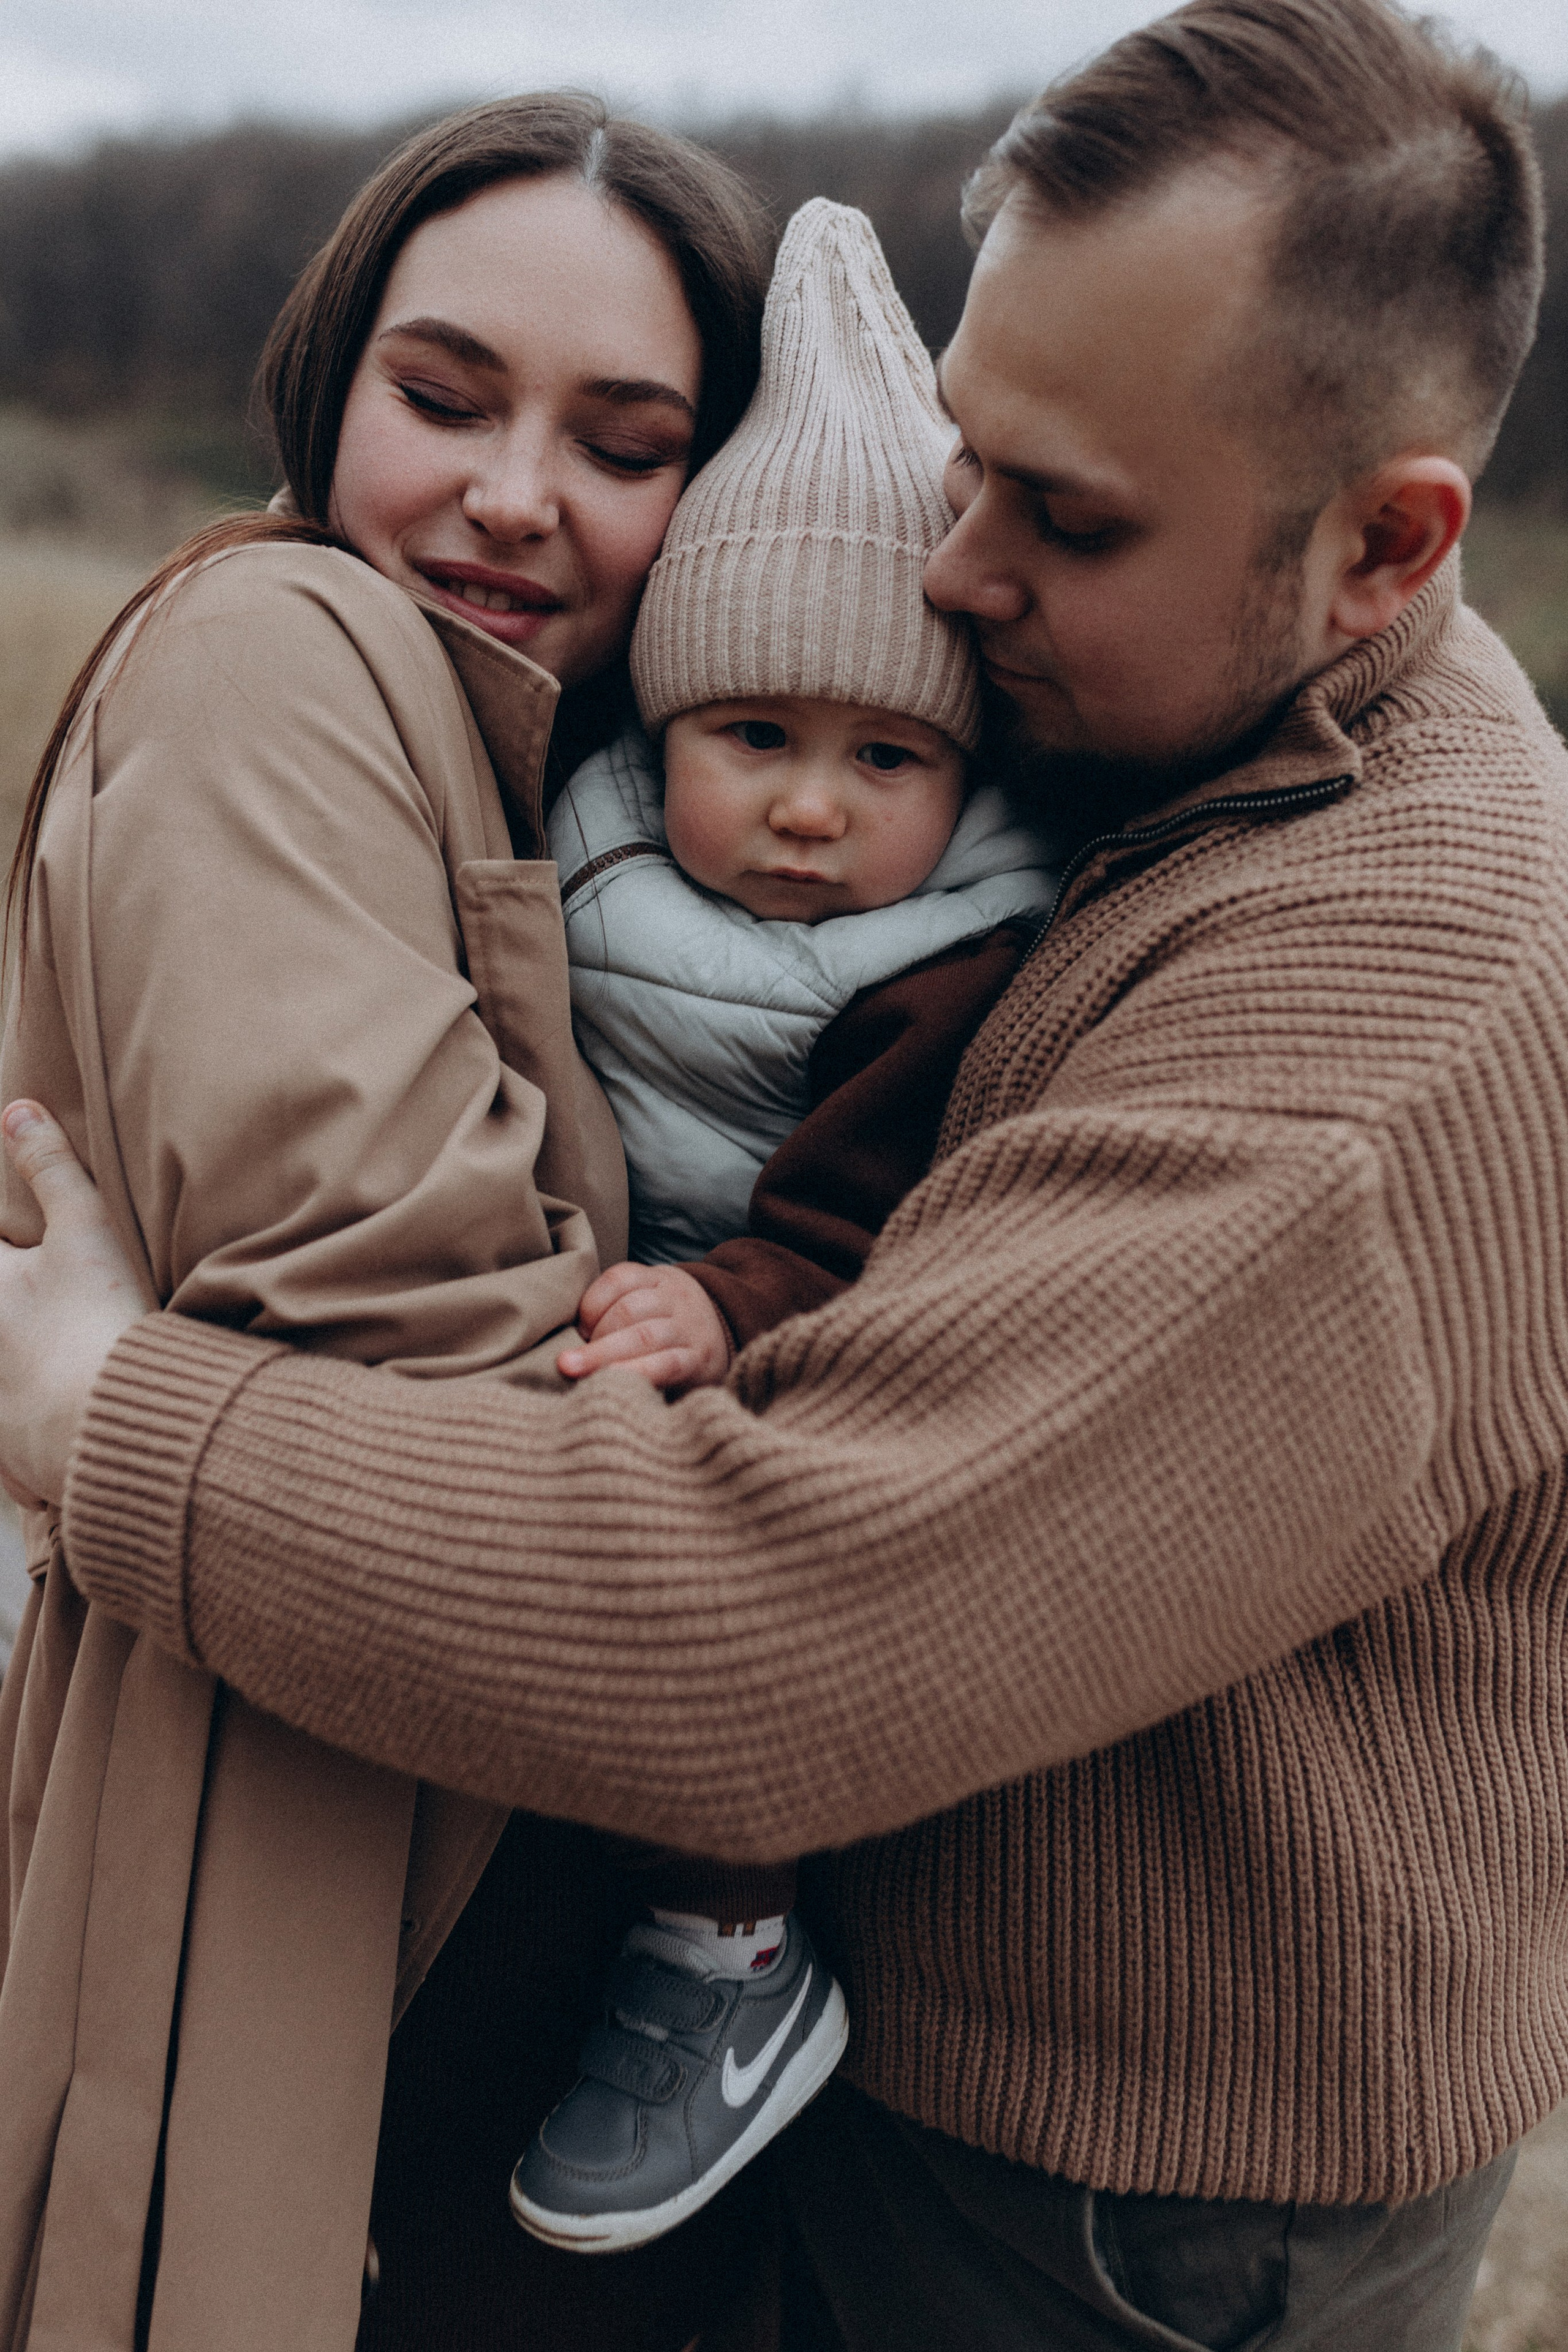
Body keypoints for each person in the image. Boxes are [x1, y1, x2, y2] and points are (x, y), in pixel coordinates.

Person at [1, 1, 1564, 2346]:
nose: (948, 573)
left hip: (1107, 2213)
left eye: (1068, 517)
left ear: (1386, 546)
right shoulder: (1173, 717)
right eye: (964, 463)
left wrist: (106, 1427)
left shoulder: (1376, 1020)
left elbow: (771, 1644)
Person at [0, 94, 774, 2352]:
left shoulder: (632, 796)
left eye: (625, 444)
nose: (514, 494)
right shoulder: (278, 658)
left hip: (477, 1867)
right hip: (314, 1858)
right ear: (330, 377)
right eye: (443, 399)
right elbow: (419, 1338)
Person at [510, 196, 1054, 2253]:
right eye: (758, 740)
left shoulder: (945, 961)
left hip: (776, 1315)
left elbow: (859, 1215)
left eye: (885, 755)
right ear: (667, 730)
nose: (814, 811)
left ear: (960, 764)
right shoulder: (587, 833)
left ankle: (732, 1950)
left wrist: (725, 1307)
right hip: (581, 1247)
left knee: (712, 1571)